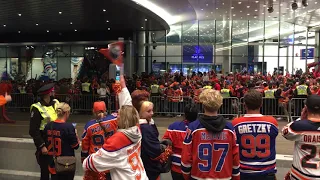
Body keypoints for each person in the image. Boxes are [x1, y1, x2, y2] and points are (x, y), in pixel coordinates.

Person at [83, 74, 148, 179]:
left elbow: (89, 163)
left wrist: (86, 159)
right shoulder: (137, 130)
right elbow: (128, 110)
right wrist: (124, 88)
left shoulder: (115, 140)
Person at [181, 89, 240, 180]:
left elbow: (186, 157)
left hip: (199, 176)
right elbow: (235, 156)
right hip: (224, 176)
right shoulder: (229, 128)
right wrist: (236, 176)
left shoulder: (193, 127)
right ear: (220, 104)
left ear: (202, 104)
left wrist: (186, 175)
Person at [232, 90, 278, 180]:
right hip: (267, 171)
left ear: (244, 105)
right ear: (261, 104)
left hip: (244, 171)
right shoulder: (272, 122)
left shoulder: (236, 123)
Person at [282, 95, 320, 179]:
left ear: (306, 108)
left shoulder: (299, 126)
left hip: (300, 174)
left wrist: (301, 118)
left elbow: (285, 132)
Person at [29, 83, 59, 180]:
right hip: (45, 142)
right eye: (52, 91)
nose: (54, 92)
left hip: (57, 141)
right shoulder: (36, 108)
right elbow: (33, 130)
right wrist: (41, 146)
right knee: (45, 172)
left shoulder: (56, 103)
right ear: (48, 94)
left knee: (57, 171)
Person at [81, 101, 117, 180]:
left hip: (96, 161)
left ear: (93, 111)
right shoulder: (114, 120)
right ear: (105, 110)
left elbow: (84, 146)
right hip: (111, 159)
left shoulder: (89, 125)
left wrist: (83, 159)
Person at [44, 102, 79, 180]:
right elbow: (75, 146)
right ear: (66, 113)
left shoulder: (48, 126)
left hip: (53, 162)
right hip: (66, 164)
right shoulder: (69, 127)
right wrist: (76, 134)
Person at [162, 103, 199, 180]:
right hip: (194, 166)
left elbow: (165, 142)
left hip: (176, 165)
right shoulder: (200, 129)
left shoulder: (174, 126)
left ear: (185, 114)